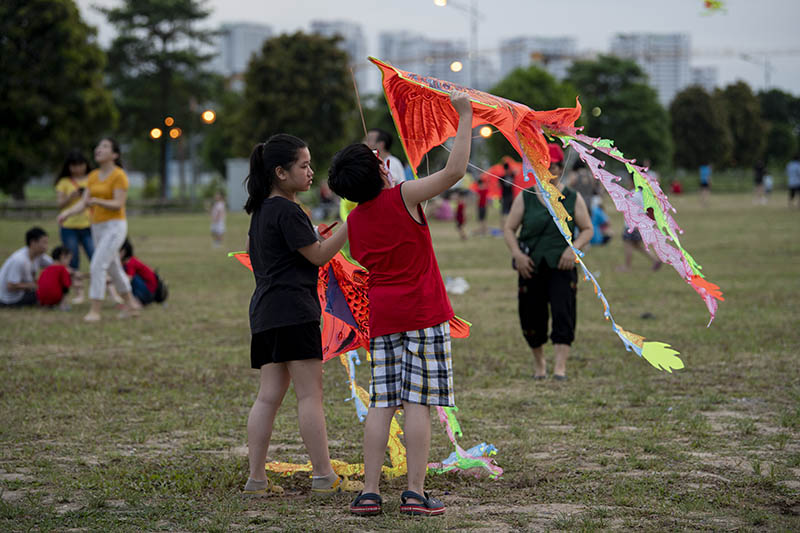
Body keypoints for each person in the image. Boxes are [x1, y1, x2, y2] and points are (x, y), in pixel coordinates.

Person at [327, 91, 473, 517]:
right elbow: (455, 170)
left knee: (382, 402)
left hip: (383, 317)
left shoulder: (354, 220)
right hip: (423, 314)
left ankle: (370, 492)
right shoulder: (406, 195)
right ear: (381, 171)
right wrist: (463, 115)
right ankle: (414, 492)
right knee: (417, 403)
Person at [241, 134, 357, 497]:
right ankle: (324, 476)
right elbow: (319, 256)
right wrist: (350, 224)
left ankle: (256, 479)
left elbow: (267, 251)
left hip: (265, 313)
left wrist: (313, 237)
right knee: (310, 396)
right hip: (294, 311)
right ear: (280, 172)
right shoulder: (288, 210)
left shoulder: (261, 210)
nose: (310, 173)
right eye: (303, 166)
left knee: (268, 397)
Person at [503, 144, 593, 381]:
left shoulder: (573, 198)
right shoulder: (527, 196)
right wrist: (517, 254)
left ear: (560, 168)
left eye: (551, 166)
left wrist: (572, 250)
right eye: (541, 166)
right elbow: (509, 228)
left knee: (564, 313)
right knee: (531, 315)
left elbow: (587, 229)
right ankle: (539, 363)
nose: (547, 171)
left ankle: (559, 367)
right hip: (530, 266)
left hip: (562, 266)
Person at [57, 138, 138, 321]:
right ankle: (132, 305)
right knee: (114, 267)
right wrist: (67, 213)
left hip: (115, 226)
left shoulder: (119, 175)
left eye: (104, 146)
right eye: (98, 146)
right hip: (97, 226)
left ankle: (95, 310)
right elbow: (84, 203)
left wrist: (98, 201)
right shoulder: (93, 176)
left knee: (97, 264)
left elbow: (119, 204)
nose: (98, 149)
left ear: (115, 154)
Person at [54, 150, 94, 303]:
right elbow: (59, 205)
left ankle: (103, 290)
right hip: (69, 226)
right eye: (74, 166)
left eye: (81, 165)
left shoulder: (92, 179)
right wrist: (71, 197)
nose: (78, 169)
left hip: (89, 224)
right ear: (69, 167)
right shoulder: (64, 182)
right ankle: (79, 293)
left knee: (95, 256)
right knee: (73, 260)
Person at [0, 227, 52, 307]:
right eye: (44, 243)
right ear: (33, 242)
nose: (46, 247)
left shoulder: (39, 255)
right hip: (8, 299)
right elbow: (11, 286)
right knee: (46, 293)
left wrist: (73, 273)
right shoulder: (19, 259)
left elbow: (55, 266)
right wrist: (35, 285)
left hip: (21, 293)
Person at [617, 188, 662, 272]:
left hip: (632, 225)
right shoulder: (643, 194)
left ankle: (627, 266)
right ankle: (655, 260)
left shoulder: (633, 194)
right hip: (640, 224)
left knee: (628, 245)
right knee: (637, 245)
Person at [119, 239, 157, 306]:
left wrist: (112, 280)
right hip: (149, 290)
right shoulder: (127, 262)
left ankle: (137, 301)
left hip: (149, 292)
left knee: (127, 279)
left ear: (123, 252)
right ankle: (132, 301)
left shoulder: (130, 262)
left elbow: (128, 279)